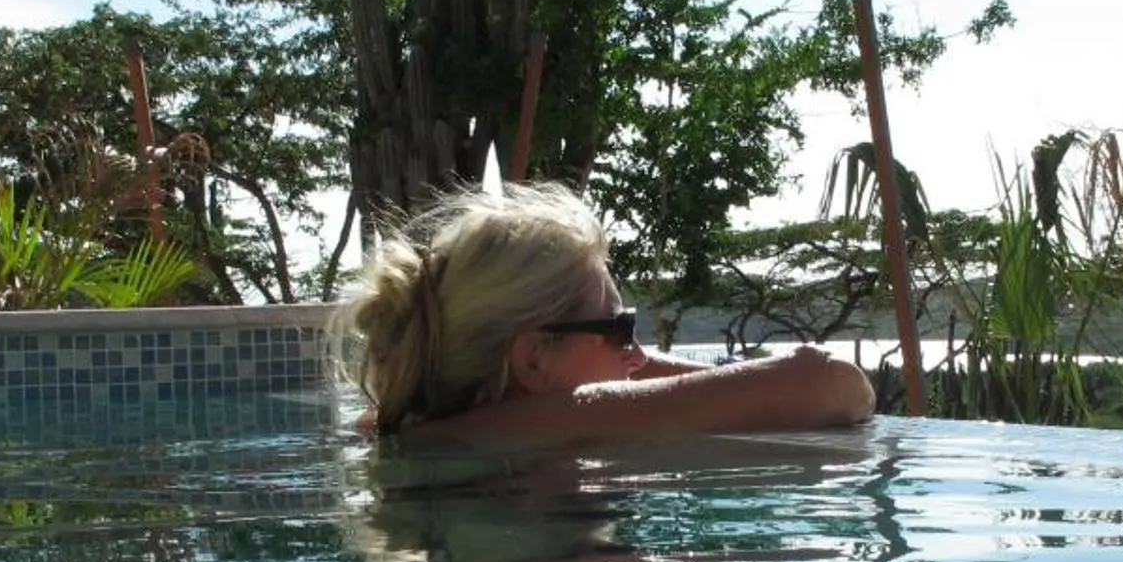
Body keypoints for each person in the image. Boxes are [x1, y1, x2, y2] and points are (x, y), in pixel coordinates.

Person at [335, 181, 875, 442]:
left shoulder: (407, 427)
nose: (638, 355)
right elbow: (834, 384)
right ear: (533, 359)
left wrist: (618, 348)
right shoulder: (570, 419)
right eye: (620, 329)